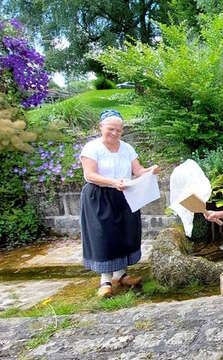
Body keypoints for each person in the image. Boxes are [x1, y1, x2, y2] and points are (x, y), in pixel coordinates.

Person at [80, 109, 160, 298]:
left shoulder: (127, 148)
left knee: (125, 233)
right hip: (99, 196)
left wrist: (150, 171)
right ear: (101, 127)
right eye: (111, 129)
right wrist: (113, 182)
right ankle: (105, 281)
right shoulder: (92, 148)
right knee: (105, 236)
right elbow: (89, 175)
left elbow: (138, 170)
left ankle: (121, 275)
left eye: (119, 130)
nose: (115, 133)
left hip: (124, 195)